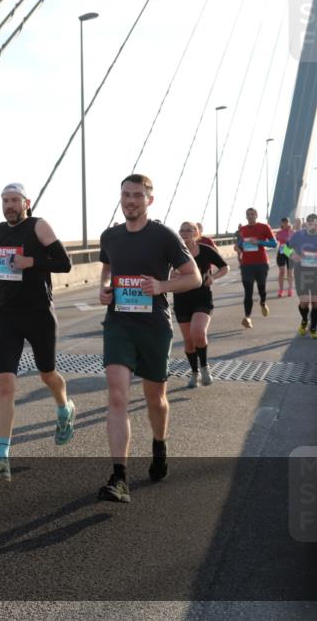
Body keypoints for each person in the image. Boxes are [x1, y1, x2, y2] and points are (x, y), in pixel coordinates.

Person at [96, 175, 200, 503]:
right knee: (117, 395)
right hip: (119, 324)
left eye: (137, 195)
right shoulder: (110, 235)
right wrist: (105, 289)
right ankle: (119, 476)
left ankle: (159, 444)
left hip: (154, 326)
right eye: (125, 194)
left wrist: (161, 287)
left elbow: (193, 277)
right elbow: (107, 268)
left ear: (149, 200)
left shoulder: (163, 236)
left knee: (155, 399)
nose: (130, 200)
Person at [0, 183, 74, 481]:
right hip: (7, 315)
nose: (9, 205)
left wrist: (31, 262)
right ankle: (2, 458)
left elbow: (65, 264)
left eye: (15, 200)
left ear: (26, 202)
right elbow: (0, 259)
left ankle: (64, 406)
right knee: (5, 384)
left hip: (39, 313)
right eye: (5, 200)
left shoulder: (39, 226)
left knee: (47, 375)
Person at [173, 222, 228, 388]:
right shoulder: (174, 252)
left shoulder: (205, 250)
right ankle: (194, 372)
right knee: (189, 342)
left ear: (196, 233)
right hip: (181, 299)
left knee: (198, 332)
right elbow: (163, 271)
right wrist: (170, 275)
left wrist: (213, 277)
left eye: (189, 230)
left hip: (202, 297)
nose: (184, 233)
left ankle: (204, 367)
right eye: (181, 230)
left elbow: (224, 267)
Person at [235, 207, 276, 328]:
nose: (250, 216)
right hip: (246, 264)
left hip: (261, 263)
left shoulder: (264, 227)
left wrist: (259, 242)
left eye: (252, 214)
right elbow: (240, 244)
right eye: (248, 214)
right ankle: (247, 317)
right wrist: (238, 247)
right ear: (246, 216)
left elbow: (274, 244)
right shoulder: (242, 229)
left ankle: (263, 303)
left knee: (261, 288)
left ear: (256, 215)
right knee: (248, 292)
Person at [275, 217, 295, 298]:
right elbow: (277, 241)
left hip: (290, 252)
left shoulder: (292, 232)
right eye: (284, 222)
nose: (286, 224)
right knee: (282, 272)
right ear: (282, 224)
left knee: (290, 273)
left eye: (287, 222)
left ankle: (290, 289)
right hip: (282, 252)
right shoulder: (279, 233)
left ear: (289, 223)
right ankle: (281, 289)